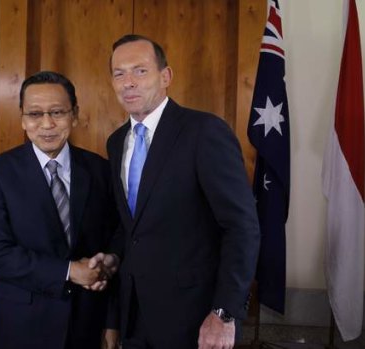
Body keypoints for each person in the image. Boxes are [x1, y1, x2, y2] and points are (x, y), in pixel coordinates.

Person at [101, 34, 261, 349]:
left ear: (166, 76)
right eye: (119, 74)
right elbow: (132, 225)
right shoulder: (117, 142)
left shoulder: (204, 132)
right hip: (135, 316)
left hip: (196, 318)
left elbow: (241, 227)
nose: (128, 82)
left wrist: (224, 312)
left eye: (140, 71)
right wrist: (113, 257)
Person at [0, 71, 119, 349]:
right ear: (22, 118)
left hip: (87, 318)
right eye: (34, 114)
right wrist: (69, 271)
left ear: (74, 115)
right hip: (25, 322)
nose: (47, 124)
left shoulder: (99, 170)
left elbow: (114, 238)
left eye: (57, 112)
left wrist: (111, 315)